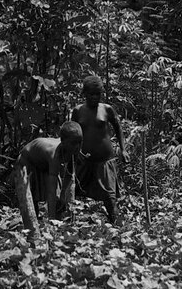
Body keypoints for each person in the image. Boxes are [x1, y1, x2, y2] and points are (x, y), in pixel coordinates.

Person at [71, 76, 128, 225]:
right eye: (91, 94)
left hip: (104, 160)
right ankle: (68, 225)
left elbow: (118, 127)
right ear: (85, 94)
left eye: (98, 94)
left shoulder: (106, 109)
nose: (94, 97)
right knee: (73, 192)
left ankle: (117, 226)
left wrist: (123, 149)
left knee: (110, 197)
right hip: (84, 160)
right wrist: (76, 153)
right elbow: (72, 134)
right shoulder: (78, 111)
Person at [11, 121, 83, 220]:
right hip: (26, 161)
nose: (78, 146)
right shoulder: (54, 155)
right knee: (30, 201)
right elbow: (51, 192)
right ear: (63, 141)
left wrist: (63, 195)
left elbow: (69, 174)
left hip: (43, 164)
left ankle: (55, 221)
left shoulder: (74, 150)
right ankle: (33, 226)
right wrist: (51, 220)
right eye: (74, 143)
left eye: (80, 142)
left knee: (59, 201)